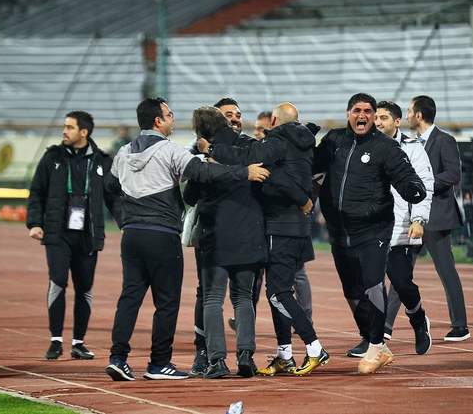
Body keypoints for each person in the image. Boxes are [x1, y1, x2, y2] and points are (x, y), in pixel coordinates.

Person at [104, 97, 269, 382]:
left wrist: (123, 218)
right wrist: (244, 172)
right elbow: (202, 172)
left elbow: (109, 186)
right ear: (158, 121)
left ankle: (118, 358)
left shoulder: (124, 151)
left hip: (133, 235)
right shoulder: (172, 150)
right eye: (169, 115)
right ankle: (159, 363)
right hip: (165, 234)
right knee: (168, 302)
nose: (173, 119)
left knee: (130, 297)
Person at [199, 102, 328, 377]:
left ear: (274, 121)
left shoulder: (279, 141)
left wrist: (212, 150)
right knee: (274, 293)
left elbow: (252, 156)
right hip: (291, 226)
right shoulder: (303, 142)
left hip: (280, 226)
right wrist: (305, 198)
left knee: (278, 293)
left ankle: (314, 346)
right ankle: (284, 354)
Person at [314, 93, 426, 374]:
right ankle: (374, 340)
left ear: (374, 116)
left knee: (372, 285)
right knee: (351, 291)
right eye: (356, 110)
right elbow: (312, 169)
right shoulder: (333, 141)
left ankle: (376, 344)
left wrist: (413, 189)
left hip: (373, 230)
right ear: (348, 113)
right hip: (339, 231)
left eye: (367, 111)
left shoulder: (385, 147)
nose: (361, 115)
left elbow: (405, 175)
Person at [27, 111, 118, 361]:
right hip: (57, 232)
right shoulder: (52, 157)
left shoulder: (101, 160)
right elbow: (37, 192)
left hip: (88, 234)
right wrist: (34, 223)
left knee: (85, 287)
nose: (64, 131)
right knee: (58, 281)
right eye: (65, 127)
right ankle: (55, 340)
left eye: (69, 127)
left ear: (84, 132)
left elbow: (113, 196)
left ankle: (78, 342)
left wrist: (126, 222)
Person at [183, 106, 267, 378]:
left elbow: (189, 197)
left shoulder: (202, 155)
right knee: (243, 297)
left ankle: (217, 360)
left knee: (212, 299)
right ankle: (246, 356)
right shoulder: (249, 147)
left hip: (215, 234)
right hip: (248, 232)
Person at [407, 95, 470, 341]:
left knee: (446, 271)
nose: (407, 115)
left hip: (437, 216)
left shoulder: (444, 140)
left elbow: (453, 175)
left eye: (409, 111)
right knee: (401, 273)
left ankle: (460, 326)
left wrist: (424, 183)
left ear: (419, 115)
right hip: (412, 217)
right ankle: (385, 328)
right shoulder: (411, 142)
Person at [374, 101, 434, 355]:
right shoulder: (364, 146)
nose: (378, 122)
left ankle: (418, 319)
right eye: (376, 117)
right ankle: (373, 338)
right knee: (368, 287)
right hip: (370, 228)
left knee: (401, 282)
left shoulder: (413, 148)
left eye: (384, 118)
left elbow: (425, 185)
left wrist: (419, 220)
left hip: (401, 228)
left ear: (397, 122)